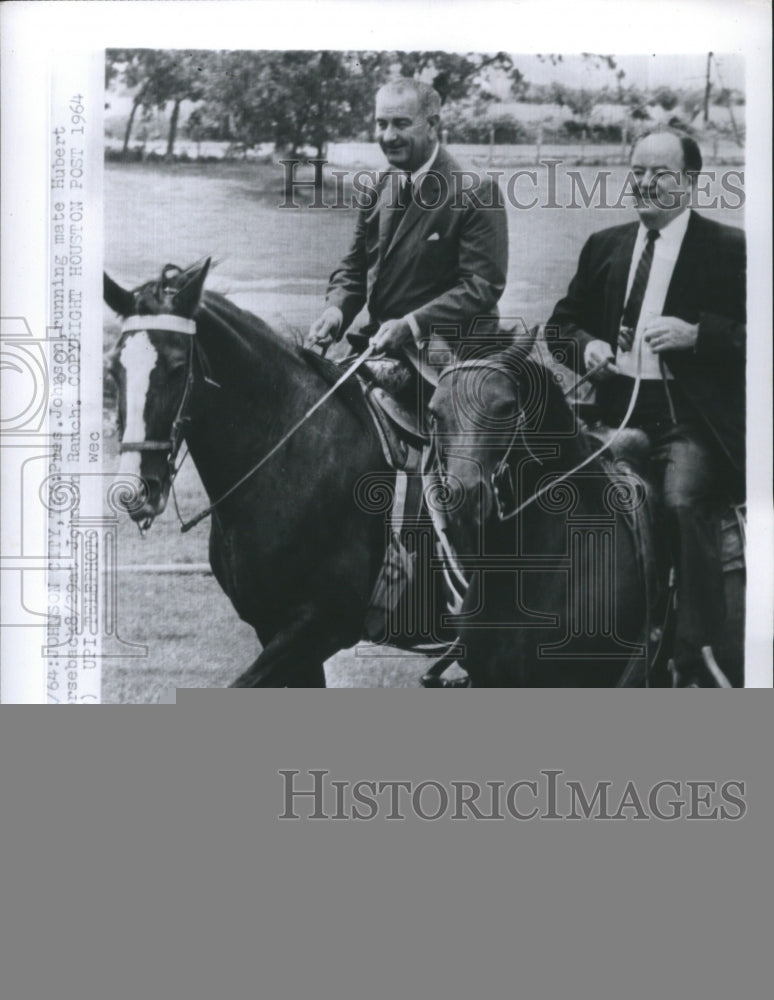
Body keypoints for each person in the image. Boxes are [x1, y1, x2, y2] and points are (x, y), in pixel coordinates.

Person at [547, 128, 746, 686]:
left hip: (687, 421)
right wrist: (585, 345)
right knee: (549, 492)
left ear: (690, 182)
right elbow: (559, 324)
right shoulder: (605, 245)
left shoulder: (731, 249)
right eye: (638, 171)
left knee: (682, 503)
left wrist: (697, 335)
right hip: (612, 414)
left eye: (660, 173)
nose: (645, 183)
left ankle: (695, 651)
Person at [307, 78, 509, 379]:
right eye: (381, 123)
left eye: (401, 123)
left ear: (432, 125)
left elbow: (482, 286)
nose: (389, 136)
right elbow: (356, 265)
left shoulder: (476, 189)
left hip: (453, 356)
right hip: (381, 345)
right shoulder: (379, 184)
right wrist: (336, 311)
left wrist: (412, 324)